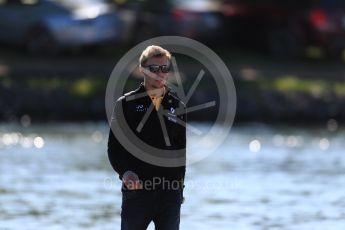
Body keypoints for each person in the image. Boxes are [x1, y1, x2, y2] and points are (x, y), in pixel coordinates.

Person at [108, 45, 186, 230]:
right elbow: (114, 148)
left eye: (164, 68)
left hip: (169, 195)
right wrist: (125, 172)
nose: (160, 73)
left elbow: (180, 152)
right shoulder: (126, 104)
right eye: (154, 68)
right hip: (137, 192)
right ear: (142, 69)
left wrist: (179, 189)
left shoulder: (177, 105)